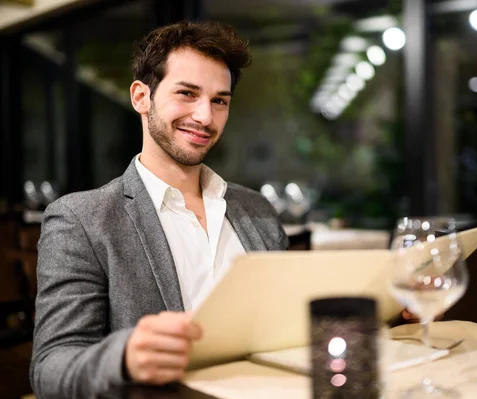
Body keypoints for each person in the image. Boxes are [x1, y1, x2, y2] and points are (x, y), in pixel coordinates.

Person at [30, 20, 288, 399]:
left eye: (219, 100)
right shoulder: (81, 219)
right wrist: (124, 358)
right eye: (187, 93)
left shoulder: (258, 211)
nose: (205, 117)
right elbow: (50, 370)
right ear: (140, 97)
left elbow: (291, 324)